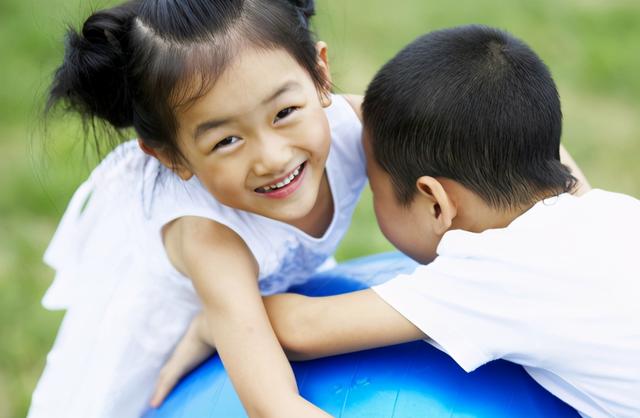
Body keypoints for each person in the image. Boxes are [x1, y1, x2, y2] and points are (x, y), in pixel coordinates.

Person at [171, 26, 639, 418]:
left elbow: (303, 328)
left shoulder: (491, 273)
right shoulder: (611, 212)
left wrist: (216, 323)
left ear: (435, 203)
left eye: (373, 187)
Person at [28, 0, 367, 417]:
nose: (272, 158)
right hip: (149, 345)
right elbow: (273, 405)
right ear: (172, 157)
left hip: (248, 298)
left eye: (284, 112)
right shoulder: (207, 234)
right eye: (226, 141)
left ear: (319, 74)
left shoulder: (365, 125)